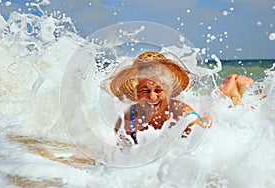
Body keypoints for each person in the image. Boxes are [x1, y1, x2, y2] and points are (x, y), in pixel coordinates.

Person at [104, 51, 253, 145]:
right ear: (136, 92)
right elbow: (120, 153)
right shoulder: (127, 118)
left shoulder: (184, 113)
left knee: (220, 116)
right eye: (145, 90)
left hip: (202, 124)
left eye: (158, 90)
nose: (152, 97)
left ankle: (231, 93)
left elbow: (199, 148)